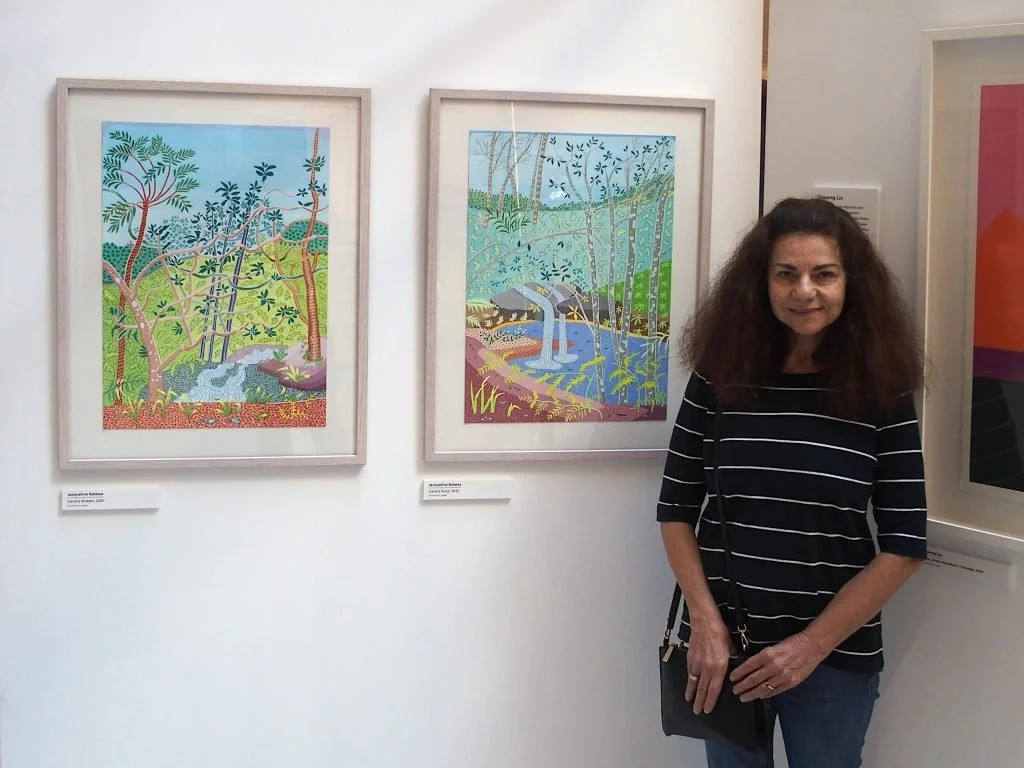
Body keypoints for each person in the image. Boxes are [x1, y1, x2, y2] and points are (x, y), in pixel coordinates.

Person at [656, 197, 927, 768]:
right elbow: (675, 509)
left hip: (833, 658)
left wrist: (810, 646)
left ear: (851, 283)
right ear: (761, 283)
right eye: (786, 274)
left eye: (823, 274)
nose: (805, 291)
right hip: (727, 648)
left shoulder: (882, 389)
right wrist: (704, 623)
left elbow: (904, 545)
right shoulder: (719, 377)